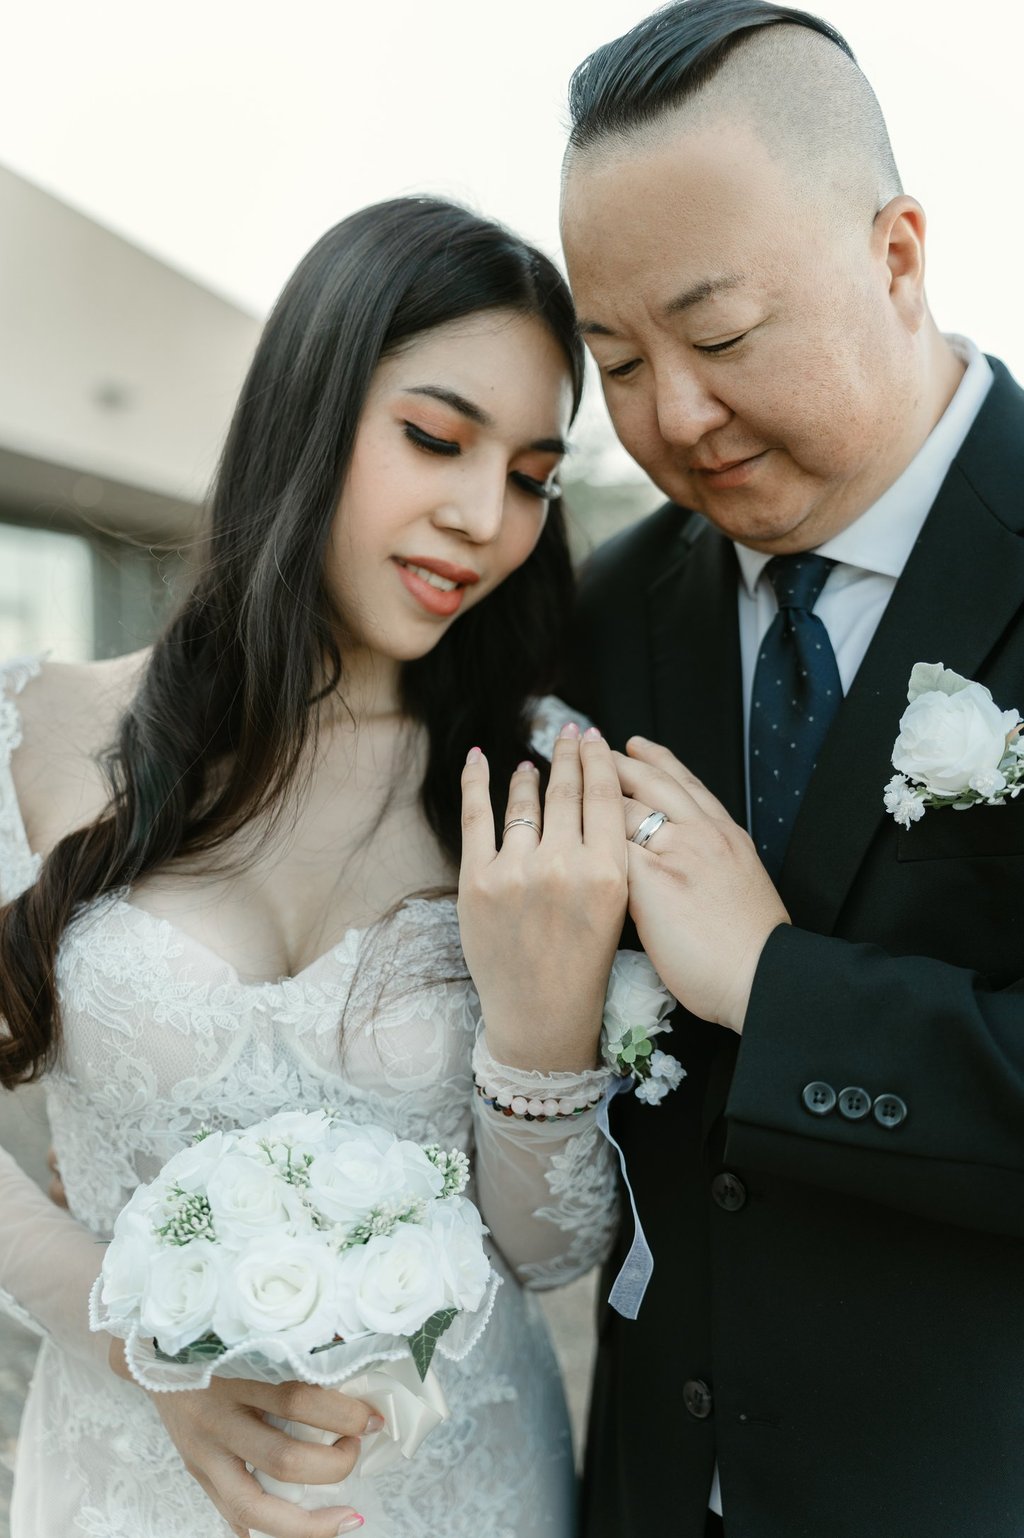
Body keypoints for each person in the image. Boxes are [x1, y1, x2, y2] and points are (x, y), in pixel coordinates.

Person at [0, 196, 629, 1538]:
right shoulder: (34, 728)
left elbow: (550, 1247)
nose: (483, 517)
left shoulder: (536, 777)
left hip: (462, 1488)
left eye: (530, 473)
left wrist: (534, 1024)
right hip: (127, 1487)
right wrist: (135, 1341)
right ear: (308, 407)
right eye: (435, 438)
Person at [554, 3, 1024, 1535]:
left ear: (897, 256)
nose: (672, 415)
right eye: (617, 360)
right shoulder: (608, 610)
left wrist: (777, 979)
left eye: (722, 336)